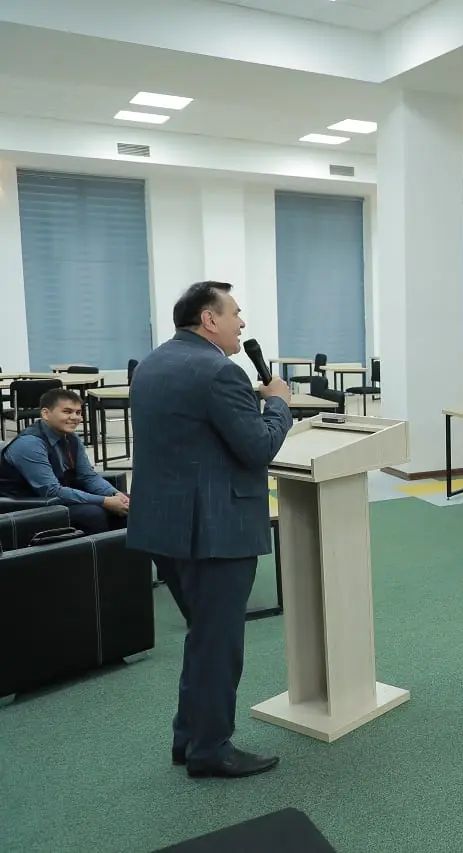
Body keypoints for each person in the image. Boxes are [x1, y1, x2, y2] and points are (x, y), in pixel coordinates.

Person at [128, 280, 292, 778]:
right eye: (235, 313)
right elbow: (257, 447)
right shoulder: (221, 372)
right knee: (219, 643)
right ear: (209, 319)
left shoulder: (153, 364)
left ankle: (189, 738)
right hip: (214, 528)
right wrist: (278, 403)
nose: (242, 323)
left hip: (164, 525)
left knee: (202, 636)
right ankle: (210, 749)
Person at [0, 388, 130, 532]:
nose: (75, 417)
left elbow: (87, 476)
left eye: (78, 412)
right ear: (45, 414)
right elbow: (51, 491)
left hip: (60, 499)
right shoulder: (29, 443)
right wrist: (104, 501)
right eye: (67, 412)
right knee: (93, 513)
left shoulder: (71, 438)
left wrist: (114, 494)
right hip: (29, 504)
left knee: (130, 502)